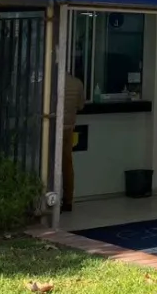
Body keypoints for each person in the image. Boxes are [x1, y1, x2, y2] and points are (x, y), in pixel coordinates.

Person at [61, 73, 86, 213]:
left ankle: (50, 199)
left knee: (49, 165)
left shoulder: (51, 82)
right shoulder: (77, 83)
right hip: (69, 128)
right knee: (67, 164)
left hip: (52, 128)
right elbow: (81, 105)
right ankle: (68, 200)